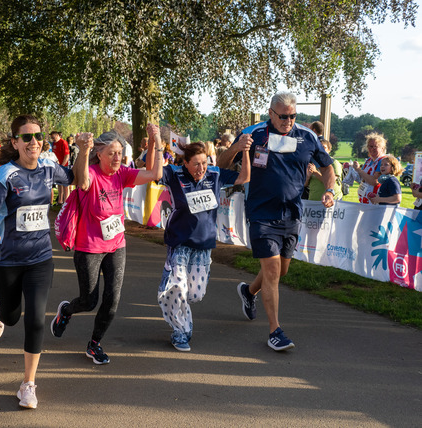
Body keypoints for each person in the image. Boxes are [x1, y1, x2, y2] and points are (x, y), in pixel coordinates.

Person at [221, 91, 335, 352]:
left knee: (281, 271)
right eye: (283, 116)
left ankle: (249, 292)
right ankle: (275, 331)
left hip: (292, 214)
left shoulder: (307, 137)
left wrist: (328, 190)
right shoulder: (254, 134)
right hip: (261, 213)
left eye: (293, 116)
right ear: (271, 113)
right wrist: (237, 148)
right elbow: (223, 164)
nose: (288, 121)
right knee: (272, 272)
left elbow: (328, 166)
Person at [0, 115, 75, 409]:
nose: (34, 142)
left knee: (35, 320)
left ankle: (28, 384)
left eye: (37, 136)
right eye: (27, 137)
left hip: (40, 258)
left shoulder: (49, 168)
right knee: (11, 316)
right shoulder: (4, 175)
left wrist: (85, 150)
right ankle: (0, 311)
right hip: (7, 259)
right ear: (15, 142)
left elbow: (76, 178)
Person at [50, 125, 163, 364]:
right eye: (111, 153)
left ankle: (94, 344)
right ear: (99, 154)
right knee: (89, 301)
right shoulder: (90, 174)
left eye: (120, 153)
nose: (117, 157)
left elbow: (154, 173)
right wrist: (83, 149)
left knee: (112, 300)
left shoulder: (122, 173)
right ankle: (66, 311)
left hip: (116, 245)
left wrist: (155, 141)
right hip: (88, 248)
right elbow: (80, 180)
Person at [155, 141, 250, 351]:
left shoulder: (214, 175)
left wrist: (245, 152)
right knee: (177, 289)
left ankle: (173, 297)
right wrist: (156, 144)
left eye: (204, 163)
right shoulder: (174, 174)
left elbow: (244, 178)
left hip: (204, 244)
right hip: (179, 242)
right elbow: (154, 173)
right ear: (185, 163)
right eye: (196, 164)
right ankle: (180, 332)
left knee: (195, 294)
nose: (201, 168)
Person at [353, 132, 387, 204]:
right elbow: (363, 179)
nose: (373, 149)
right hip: (365, 200)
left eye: (376, 146)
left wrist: (359, 170)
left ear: (382, 148)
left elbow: (374, 181)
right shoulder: (368, 160)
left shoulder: (383, 161)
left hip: (376, 201)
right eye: (370, 146)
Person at [50, 131, 70, 204]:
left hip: (64, 166)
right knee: (59, 184)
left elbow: (67, 155)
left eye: (53, 137)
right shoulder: (54, 143)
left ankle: (66, 201)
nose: (52, 138)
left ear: (57, 135)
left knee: (65, 184)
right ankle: (60, 200)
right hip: (56, 166)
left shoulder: (63, 142)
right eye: (51, 137)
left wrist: (62, 165)